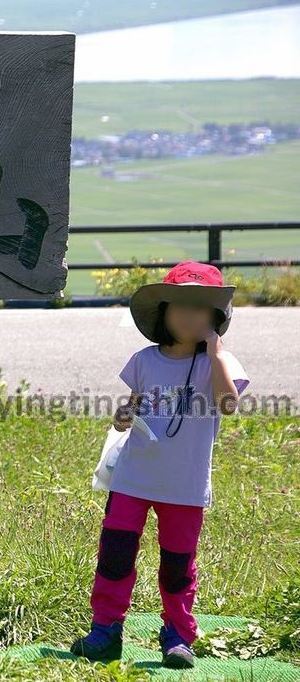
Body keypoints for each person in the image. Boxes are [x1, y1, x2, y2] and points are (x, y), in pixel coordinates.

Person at [70, 260, 249, 669]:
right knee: (114, 555)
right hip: (133, 479)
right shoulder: (145, 360)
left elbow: (228, 404)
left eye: (201, 307)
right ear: (163, 311)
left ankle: (178, 635)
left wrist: (216, 352)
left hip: (183, 487)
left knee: (177, 566)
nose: (189, 315)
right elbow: (130, 408)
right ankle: (105, 630)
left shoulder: (218, 364)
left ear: (217, 317)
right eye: (180, 305)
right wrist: (121, 417)